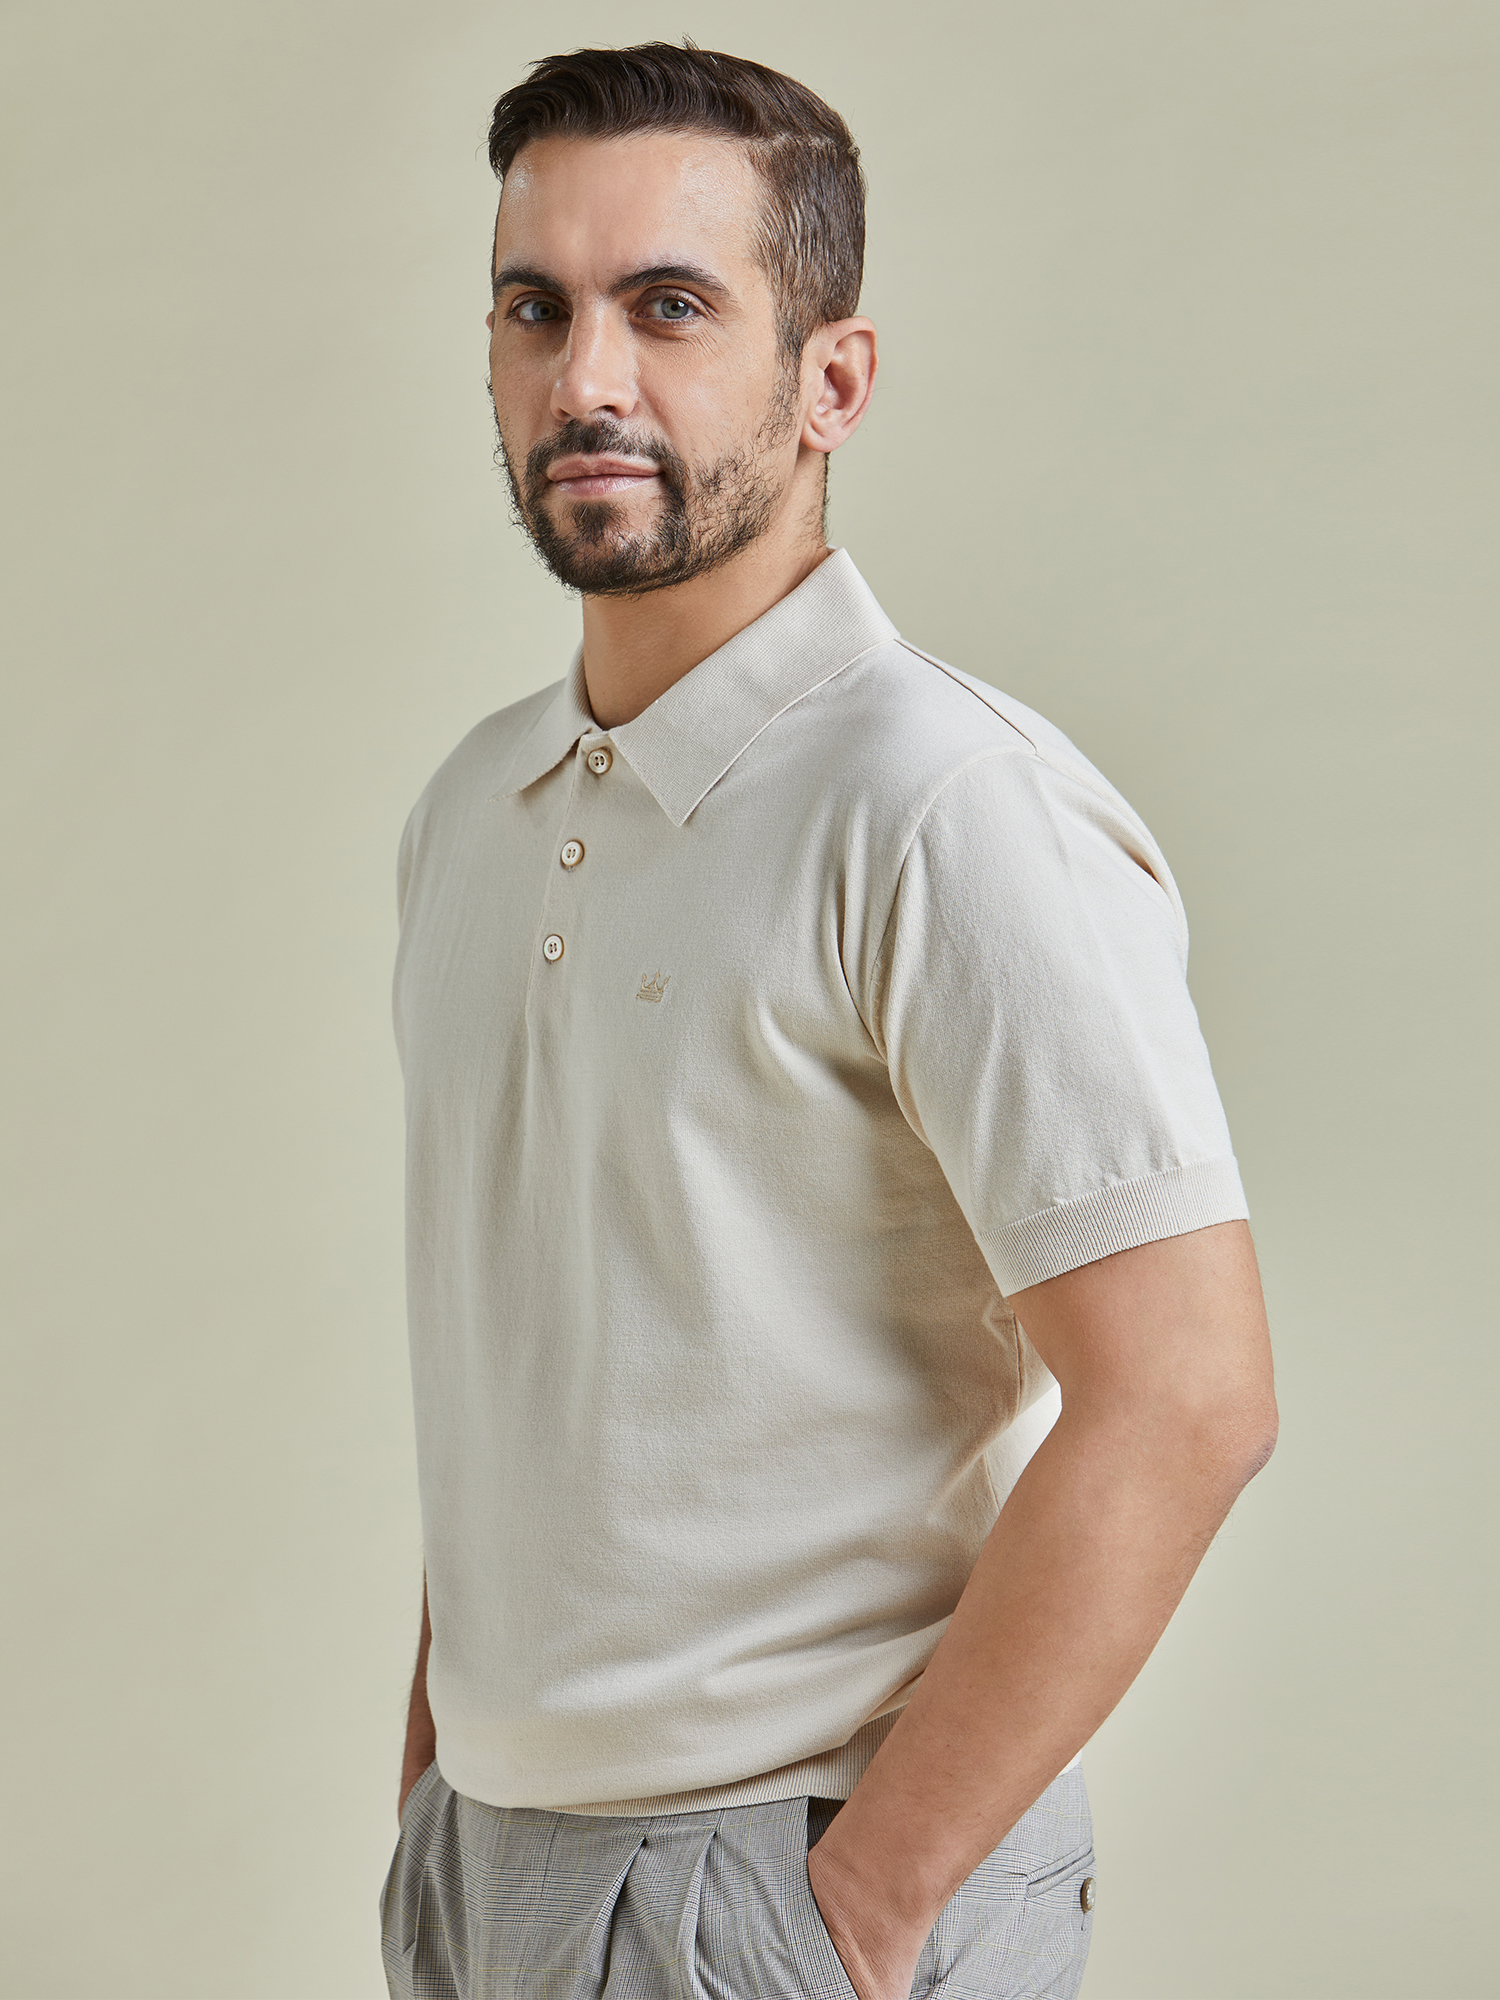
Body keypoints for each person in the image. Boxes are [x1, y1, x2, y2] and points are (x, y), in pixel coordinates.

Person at [378, 39, 1277, 2000]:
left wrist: (857, 1909)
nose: (586, 379)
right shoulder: (470, 809)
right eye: (536, 309)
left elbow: (1191, 1396)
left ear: (832, 381)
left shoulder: (947, 808)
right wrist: (444, 1783)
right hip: (488, 1866)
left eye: (669, 308)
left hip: (787, 1871)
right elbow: (540, 1350)